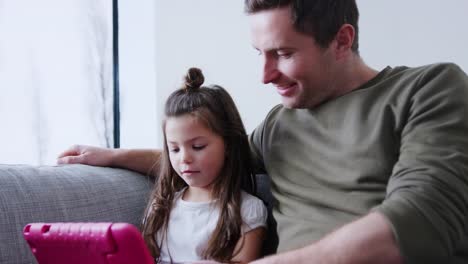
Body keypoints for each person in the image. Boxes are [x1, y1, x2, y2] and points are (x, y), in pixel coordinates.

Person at [58, 0, 468, 263]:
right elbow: (209, 158)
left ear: (342, 41)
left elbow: (422, 219)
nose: (265, 75)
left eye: (284, 53)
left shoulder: (429, 89)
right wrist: (114, 156)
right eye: (260, 54)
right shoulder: (279, 124)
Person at [105, 67, 268, 263]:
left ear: (228, 144)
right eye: (174, 149)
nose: (184, 159)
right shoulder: (161, 208)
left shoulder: (248, 211)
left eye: (197, 146)